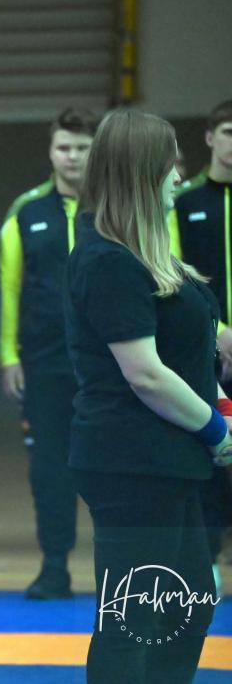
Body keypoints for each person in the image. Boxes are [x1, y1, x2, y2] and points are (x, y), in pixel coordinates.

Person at [65, 107, 232, 684]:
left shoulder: (146, 254)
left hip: (167, 460)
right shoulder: (107, 261)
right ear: (141, 173)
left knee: (190, 605)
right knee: (134, 620)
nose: (179, 177)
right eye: (171, 166)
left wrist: (219, 401)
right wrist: (216, 429)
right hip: (130, 461)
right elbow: (146, 374)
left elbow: (186, 346)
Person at [0, 108, 99, 599]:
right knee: (50, 469)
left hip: (110, 363)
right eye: (64, 147)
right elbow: (9, 286)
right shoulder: (27, 212)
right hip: (45, 362)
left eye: (82, 148)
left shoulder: (119, 208)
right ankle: (54, 566)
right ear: (51, 151)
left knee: (111, 465)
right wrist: (8, 354)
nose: (72, 157)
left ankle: (121, 573)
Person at [168, 97, 232, 597]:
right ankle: (206, 558)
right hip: (209, 349)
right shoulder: (184, 202)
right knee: (213, 454)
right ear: (211, 137)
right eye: (228, 132)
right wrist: (219, 330)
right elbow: (174, 271)